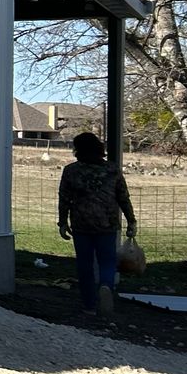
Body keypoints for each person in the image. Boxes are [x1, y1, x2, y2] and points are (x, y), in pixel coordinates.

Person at [57, 131, 136, 317]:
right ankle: (106, 285)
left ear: (77, 150)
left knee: (84, 264)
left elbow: (64, 198)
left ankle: (89, 305)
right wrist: (131, 220)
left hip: (81, 223)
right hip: (107, 223)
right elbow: (123, 197)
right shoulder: (112, 169)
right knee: (107, 261)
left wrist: (62, 221)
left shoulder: (71, 171)